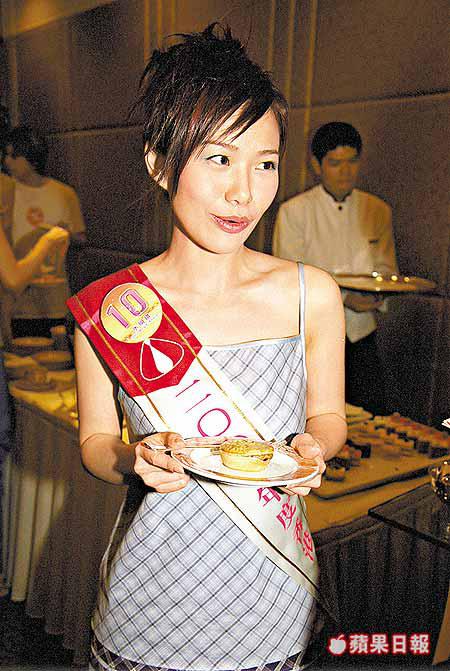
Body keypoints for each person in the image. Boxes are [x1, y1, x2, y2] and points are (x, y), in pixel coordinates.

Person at [72, 25, 346, 671]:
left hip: (276, 600)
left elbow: (327, 417)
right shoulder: (113, 307)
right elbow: (95, 444)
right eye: (219, 158)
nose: (243, 192)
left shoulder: (311, 294)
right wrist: (135, 459)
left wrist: (315, 446)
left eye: (265, 163)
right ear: (160, 163)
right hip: (147, 607)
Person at [272, 122, 398, 414]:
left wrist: (376, 296)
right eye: (335, 163)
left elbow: (387, 269)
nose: (345, 172)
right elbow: (290, 281)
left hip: (363, 335)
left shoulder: (377, 210)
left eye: (352, 162)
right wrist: (344, 298)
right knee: (318, 416)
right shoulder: (294, 212)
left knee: (373, 416)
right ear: (317, 165)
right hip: (312, 337)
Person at [3, 126, 86, 339]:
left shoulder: (63, 193)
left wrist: (60, 234)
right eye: (6, 155)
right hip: (18, 303)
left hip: (55, 300)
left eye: (14, 156)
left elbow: (80, 238)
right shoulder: (7, 194)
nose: (7, 162)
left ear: (32, 158)